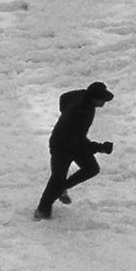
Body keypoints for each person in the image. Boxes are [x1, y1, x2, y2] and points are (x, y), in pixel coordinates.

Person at [34, 82, 114, 219]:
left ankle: (61, 189)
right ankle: (42, 210)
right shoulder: (81, 113)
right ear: (94, 98)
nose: (104, 103)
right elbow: (80, 142)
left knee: (91, 168)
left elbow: (63, 97)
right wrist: (100, 147)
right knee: (57, 178)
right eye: (102, 100)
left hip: (73, 141)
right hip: (61, 145)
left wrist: (64, 112)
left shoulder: (82, 95)